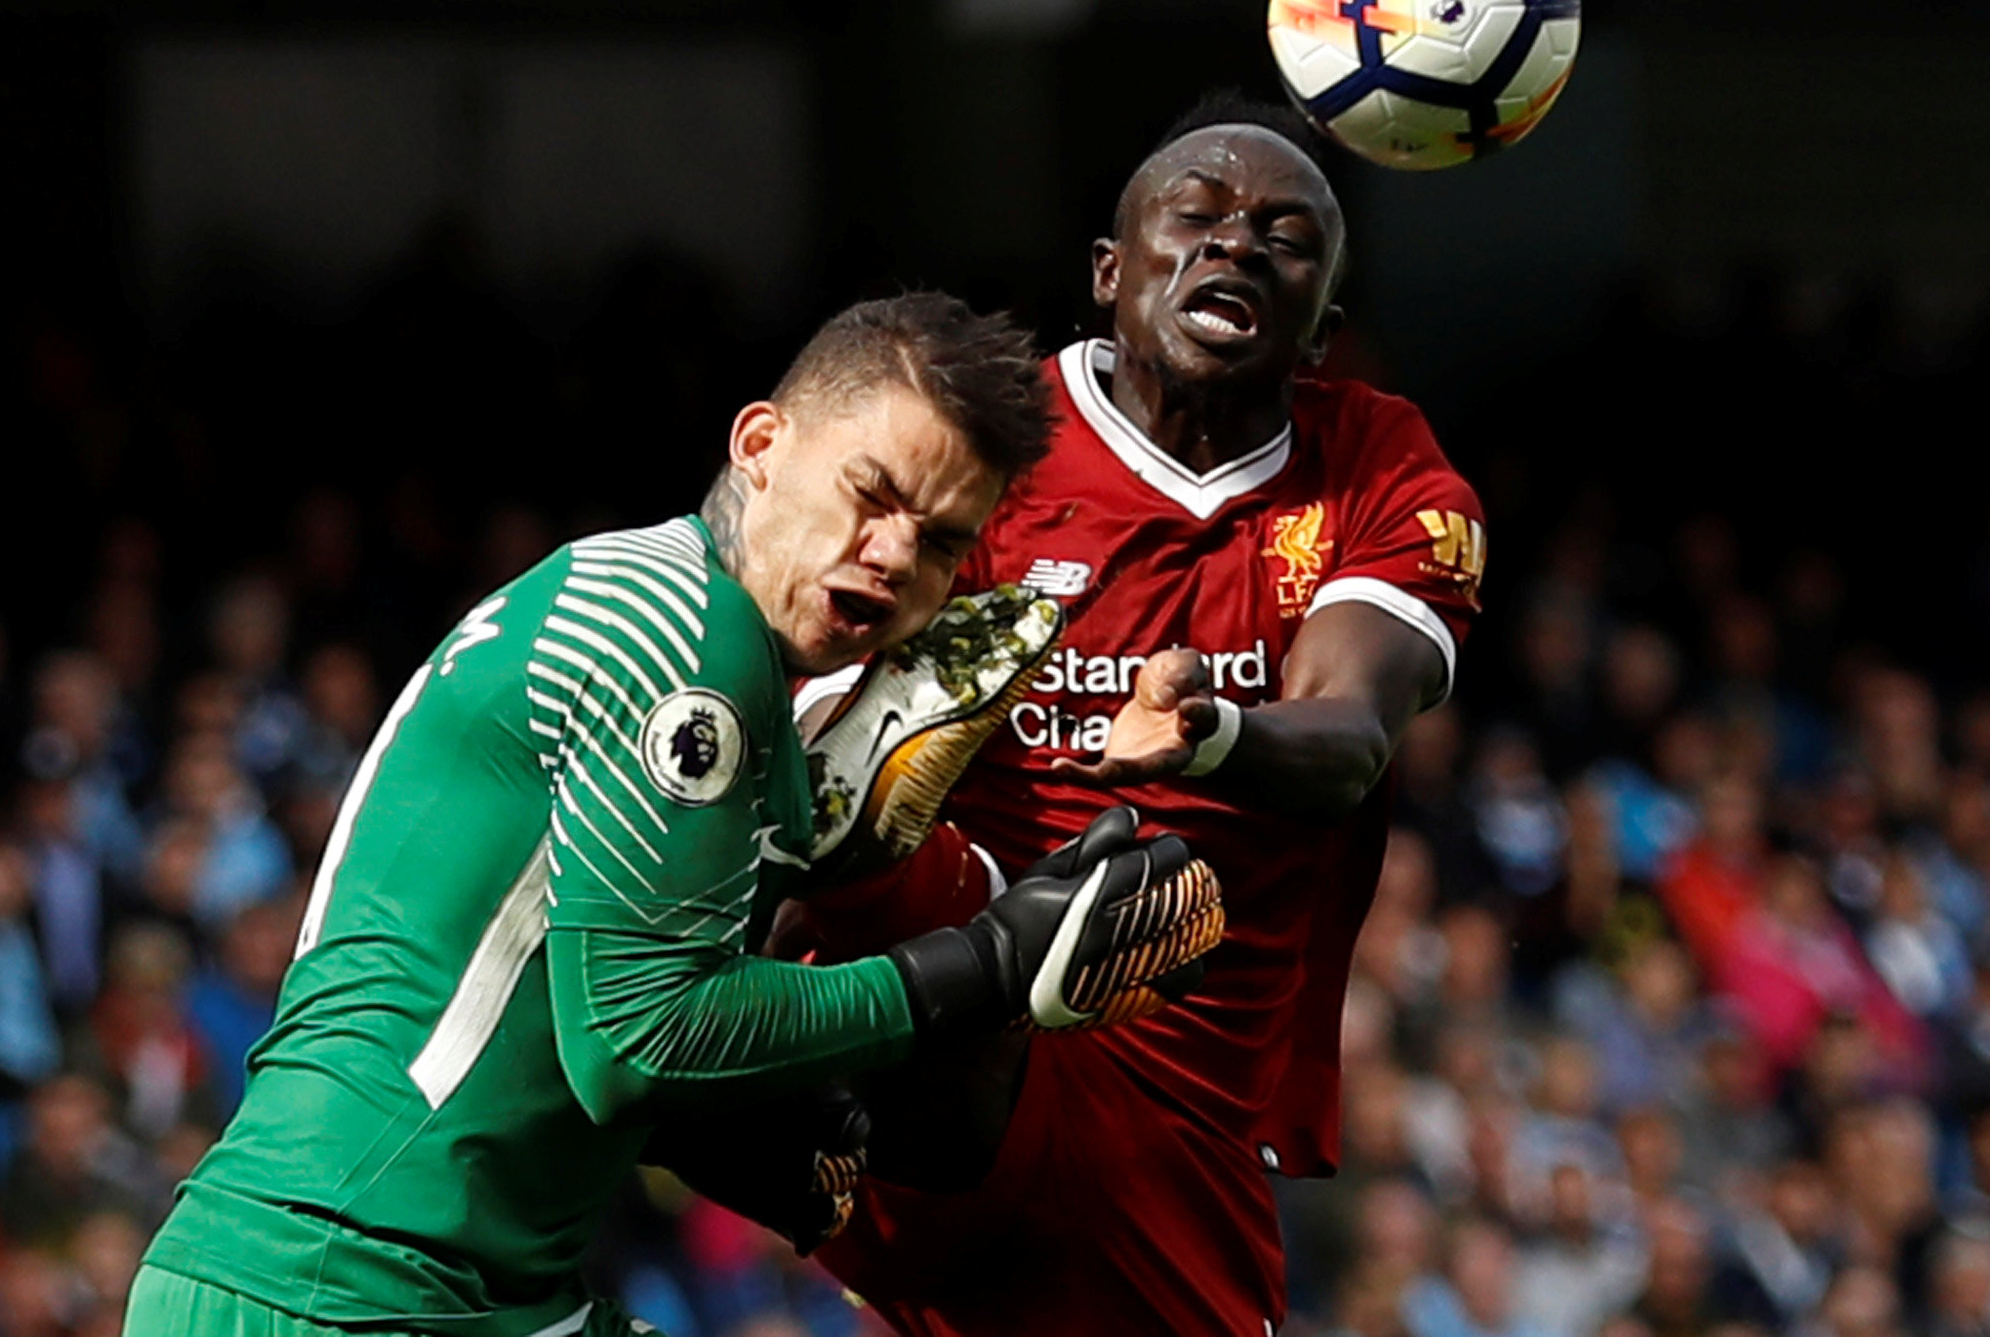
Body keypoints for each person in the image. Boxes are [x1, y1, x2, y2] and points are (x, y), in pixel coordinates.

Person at [124, 293, 1223, 1337]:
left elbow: (556, 1010)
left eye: (939, 542)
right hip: (347, 1286)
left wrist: (731, 1131)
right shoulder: (684, 639)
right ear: (759, 446)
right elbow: (640, 1039)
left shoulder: (661, 613)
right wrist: (977, 967)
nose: (893, 555)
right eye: (872, 495)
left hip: (408, 1281)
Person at [799, 96, 1487, 1337]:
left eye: (1284, 236)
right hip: (960, 1001)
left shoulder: (1380, 467)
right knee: (849, 840)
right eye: (1199, 218)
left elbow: (1347, 736)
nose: (1235, 246)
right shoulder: (985, 441)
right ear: (1112, 273)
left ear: (1320, 317)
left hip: (1183, 1101)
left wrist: (1211, 729)